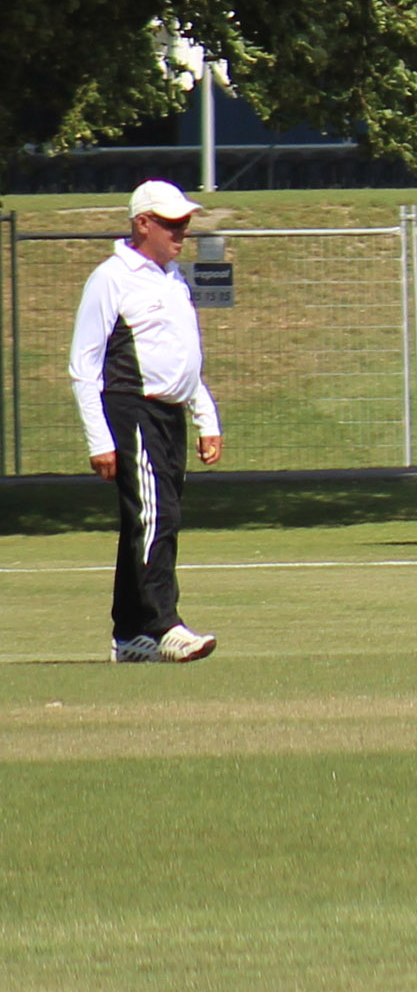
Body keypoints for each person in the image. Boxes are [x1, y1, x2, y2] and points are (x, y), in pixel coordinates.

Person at [74, 180, 224, 664]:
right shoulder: (112, 278)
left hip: (169, 411)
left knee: (145, 519)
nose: (182, 231)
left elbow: (184, 358)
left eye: (184, 222)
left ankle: (129, 634)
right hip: (131, 406)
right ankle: (164, 625)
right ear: (142, 224)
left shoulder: (173, 278)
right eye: (171, 223)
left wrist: (206, 417)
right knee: (156, 516)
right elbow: (84, 364)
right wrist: (100, 439)